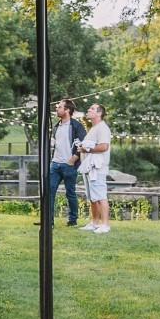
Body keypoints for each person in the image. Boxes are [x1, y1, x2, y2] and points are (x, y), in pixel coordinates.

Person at [47, 98, 87, 226]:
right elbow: (53, 143)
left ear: (67, 110)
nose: (56, 109)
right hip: (55, 164)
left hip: (69, 165)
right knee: (49, 191)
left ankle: (73, 220)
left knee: (70, 193)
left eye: (59, 107)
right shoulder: (56, 126)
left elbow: (84, 143)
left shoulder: (76, 126)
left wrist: (74, 158)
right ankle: (49, 221)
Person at [79, 103, 113, 233]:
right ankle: (94, 222)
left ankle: (105, 225)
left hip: (97, 167)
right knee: (92, 197)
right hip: (88, 167)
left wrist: (86, 148)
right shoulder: (93, 128)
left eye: (92, 109)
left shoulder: (102, 128)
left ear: (99, 113)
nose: (88, 110)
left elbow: (104, 147)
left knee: (100, 196)